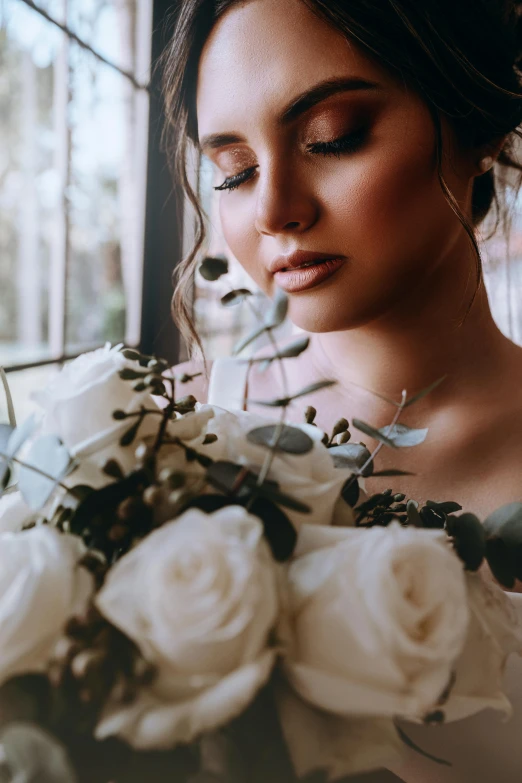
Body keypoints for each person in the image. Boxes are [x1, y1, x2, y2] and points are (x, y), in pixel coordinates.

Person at [160, 1, 522, 780]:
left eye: (334, 137)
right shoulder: (170, 437)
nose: (274, 210)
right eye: (234, 171)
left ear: (480, 117)